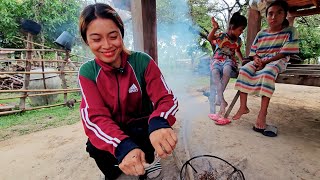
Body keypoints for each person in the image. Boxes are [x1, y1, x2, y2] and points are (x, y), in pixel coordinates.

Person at [78, 3, 178, 179]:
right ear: (87, 41)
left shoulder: (142, 62)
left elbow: (166, 98)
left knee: (150, 132)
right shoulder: (88, 72)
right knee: (94, 146)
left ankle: (149, 160)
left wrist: (159, 123)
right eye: (96, 39)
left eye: (113, 36)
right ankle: (116, 170)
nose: (107, 45)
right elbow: (95, 118)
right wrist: (123, 145)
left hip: (141, 127)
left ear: (121, 34)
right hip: (114, 129)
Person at [232, 0, 299, 137]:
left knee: (268, 73)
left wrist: (265, 61)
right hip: (260, 60)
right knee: (244, 70)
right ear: (267, 16)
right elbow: (254, 51)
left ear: (285, 15)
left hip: (277, 60)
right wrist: (256, 59)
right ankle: (243, 107)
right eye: (270, 14)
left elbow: (284, 52)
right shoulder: (261, 33)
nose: (274, 17)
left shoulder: (290, 31)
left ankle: (262, 115)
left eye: (279, 13)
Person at [207, 12, 247, 125]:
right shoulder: (222, 36)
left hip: (229, 60)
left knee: (227, 70)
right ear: (232, 27)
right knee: (215, 72)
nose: (242, 32)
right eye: (240, 29)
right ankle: (222, 101)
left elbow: (238, 51)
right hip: (217, 60)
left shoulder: (238, 41)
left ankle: (220, 100)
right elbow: (210, 38)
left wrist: (242, 61)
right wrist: (214, 28)